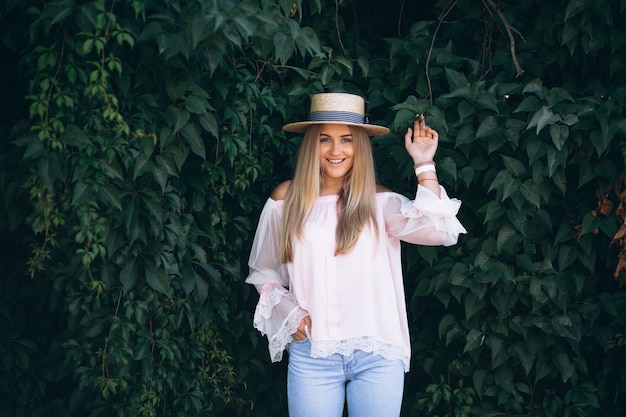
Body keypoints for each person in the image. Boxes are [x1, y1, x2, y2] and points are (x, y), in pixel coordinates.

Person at [245, 92, 466, 417]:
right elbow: (262, 271)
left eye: (347, 139)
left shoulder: (380, 202)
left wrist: (424, 163)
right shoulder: (286, 199)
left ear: (359, 145)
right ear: (311, 146)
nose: (336, 150)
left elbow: (440, 232)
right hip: (313, 353)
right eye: (325, 140)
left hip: (377, 353)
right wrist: (287, 310)